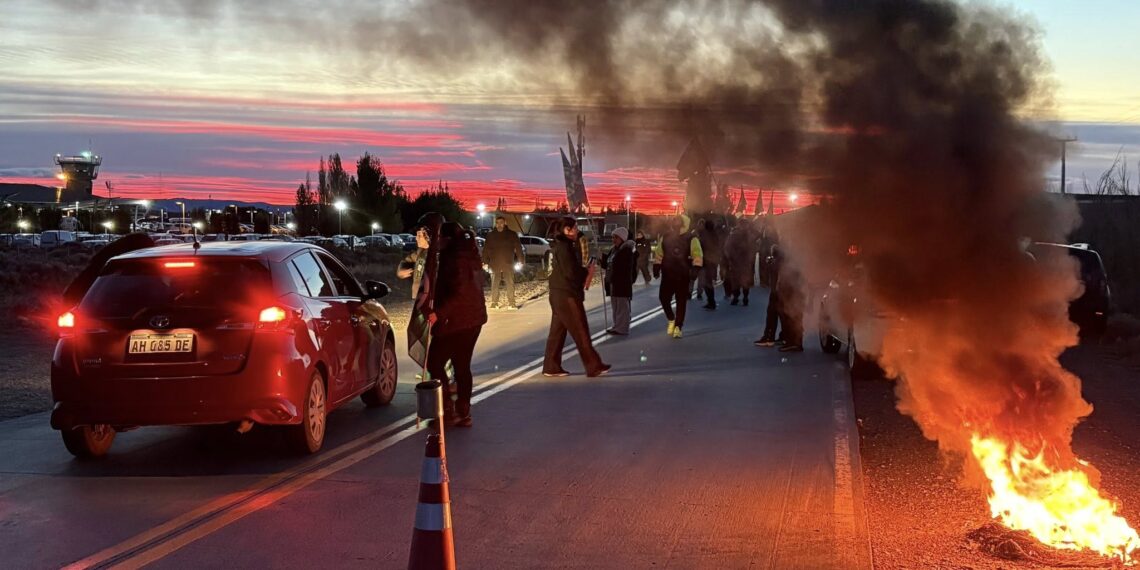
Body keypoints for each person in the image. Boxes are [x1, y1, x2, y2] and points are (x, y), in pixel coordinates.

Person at [423, 222, 487, 427]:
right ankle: (463, 411)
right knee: (461, 365)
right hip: (473, 318)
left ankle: (446, 412)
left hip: (456, 321)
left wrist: (438, 314)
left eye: (439, 238)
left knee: (435, 362)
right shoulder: (469, 254)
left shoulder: (455, 259)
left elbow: (460, 293)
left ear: (447, 239)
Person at [543, 216, 611, 377]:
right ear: (566, 230)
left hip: (557, 293)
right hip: (567, 295)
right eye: (574, 228)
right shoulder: (565, 248)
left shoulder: (558, 245)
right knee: (581, 330)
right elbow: (571, 272)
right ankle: (593, 365)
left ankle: (551, 366)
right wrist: (585, 271)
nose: (576, 231)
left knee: (557, 332)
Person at [653, 214, 703, 339]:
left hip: (683, 274)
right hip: (667, 273)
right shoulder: (666, 237)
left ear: (684, 223)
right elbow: (659, 253)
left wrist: (695, 270)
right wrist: (657, 266)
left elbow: (697, 254)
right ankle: (671, 319)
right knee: (663, 298)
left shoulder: (691, 238)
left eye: (677, 221)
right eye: (674, 220)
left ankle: (678, 327)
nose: (675, 222)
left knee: (681, 301)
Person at [482, 215, 525, 310]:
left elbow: (518, 248)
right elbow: (486, 250)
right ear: (495, 224)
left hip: (508, 263)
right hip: (494, 263)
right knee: (494, 284)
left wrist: (521, 260)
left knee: (510, 283)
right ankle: (494, 303)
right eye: (497, 223)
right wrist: (484, 262)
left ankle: (512, 303)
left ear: (505, 223)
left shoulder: (512, 234)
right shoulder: (490, 235)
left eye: (501, 223)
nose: (499, 225)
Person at [600, 227, 636, 335]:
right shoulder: (614, 249)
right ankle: (616, 325)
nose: (613, 239)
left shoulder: (627, 250)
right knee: (615, 306)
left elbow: (622, 265)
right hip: (613, 282)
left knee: (622, 307)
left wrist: (610, 263)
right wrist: (601, 259)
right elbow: (608, 264)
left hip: (621, 283)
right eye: (612, 237)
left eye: (616, 237)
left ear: (622, 238)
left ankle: (622, 328)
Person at [755, 243, 784, 347]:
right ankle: (784, 336)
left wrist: (772, 262)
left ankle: (769, 337)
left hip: (778, 290)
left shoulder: (779, 261)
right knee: (782, 314)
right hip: (781, 289)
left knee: (772, 313)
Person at [723, 222, 758, 306]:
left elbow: (727, 248)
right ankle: (745, 297)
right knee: (744, 279)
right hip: (744, 262)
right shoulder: (750, 235)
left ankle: (736, 297)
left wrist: (730, 257)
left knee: (736, 280)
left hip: (736, 262)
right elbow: (754, 248)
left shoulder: (734, 235)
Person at [397, 225, 432, 299]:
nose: (416, 238)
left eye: (419, 236)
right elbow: (406, 260)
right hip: (418, 297)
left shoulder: (436, 254)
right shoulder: (420, 252)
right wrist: (401, 270)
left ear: (428, 237)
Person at [697, 218, 723, 310]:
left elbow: (701, 247)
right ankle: (710, 301)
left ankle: (711, 302)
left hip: (705, 260)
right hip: (712, 260)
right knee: (707, 282)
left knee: (706, 282)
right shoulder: (714, 235)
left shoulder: (705, 235)